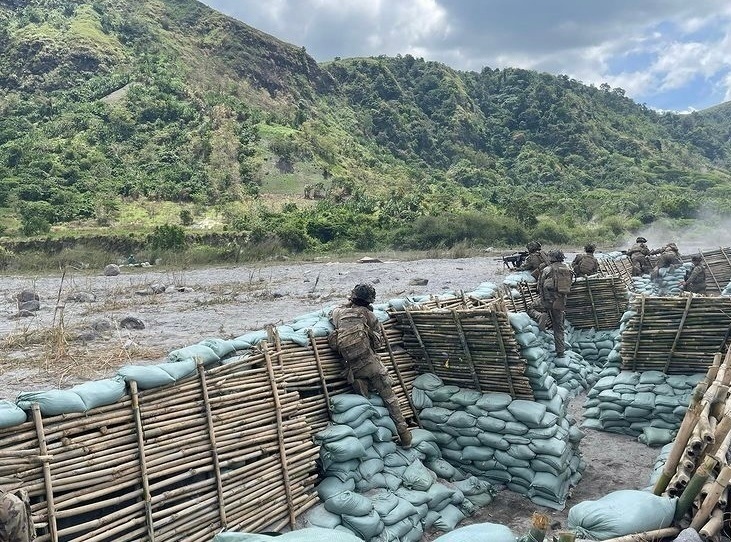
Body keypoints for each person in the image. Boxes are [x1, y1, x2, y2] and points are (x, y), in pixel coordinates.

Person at [329, 284, 412, 447]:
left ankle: (371, 441)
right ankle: (405, 436)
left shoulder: (340, 314)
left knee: (363, 406)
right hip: (371, 365)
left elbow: (332, 312)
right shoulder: (369, 315)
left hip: (353, 370)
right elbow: (377, 343)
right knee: (390, 400)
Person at [527, 250, 573, 357]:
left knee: (530, 307)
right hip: (560, 302)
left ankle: (540, 316)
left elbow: (540, 286)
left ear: (551, 258)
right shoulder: (567, 269)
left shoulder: (547, 270)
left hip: (546, 301)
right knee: (559, 327)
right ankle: (560, 352)